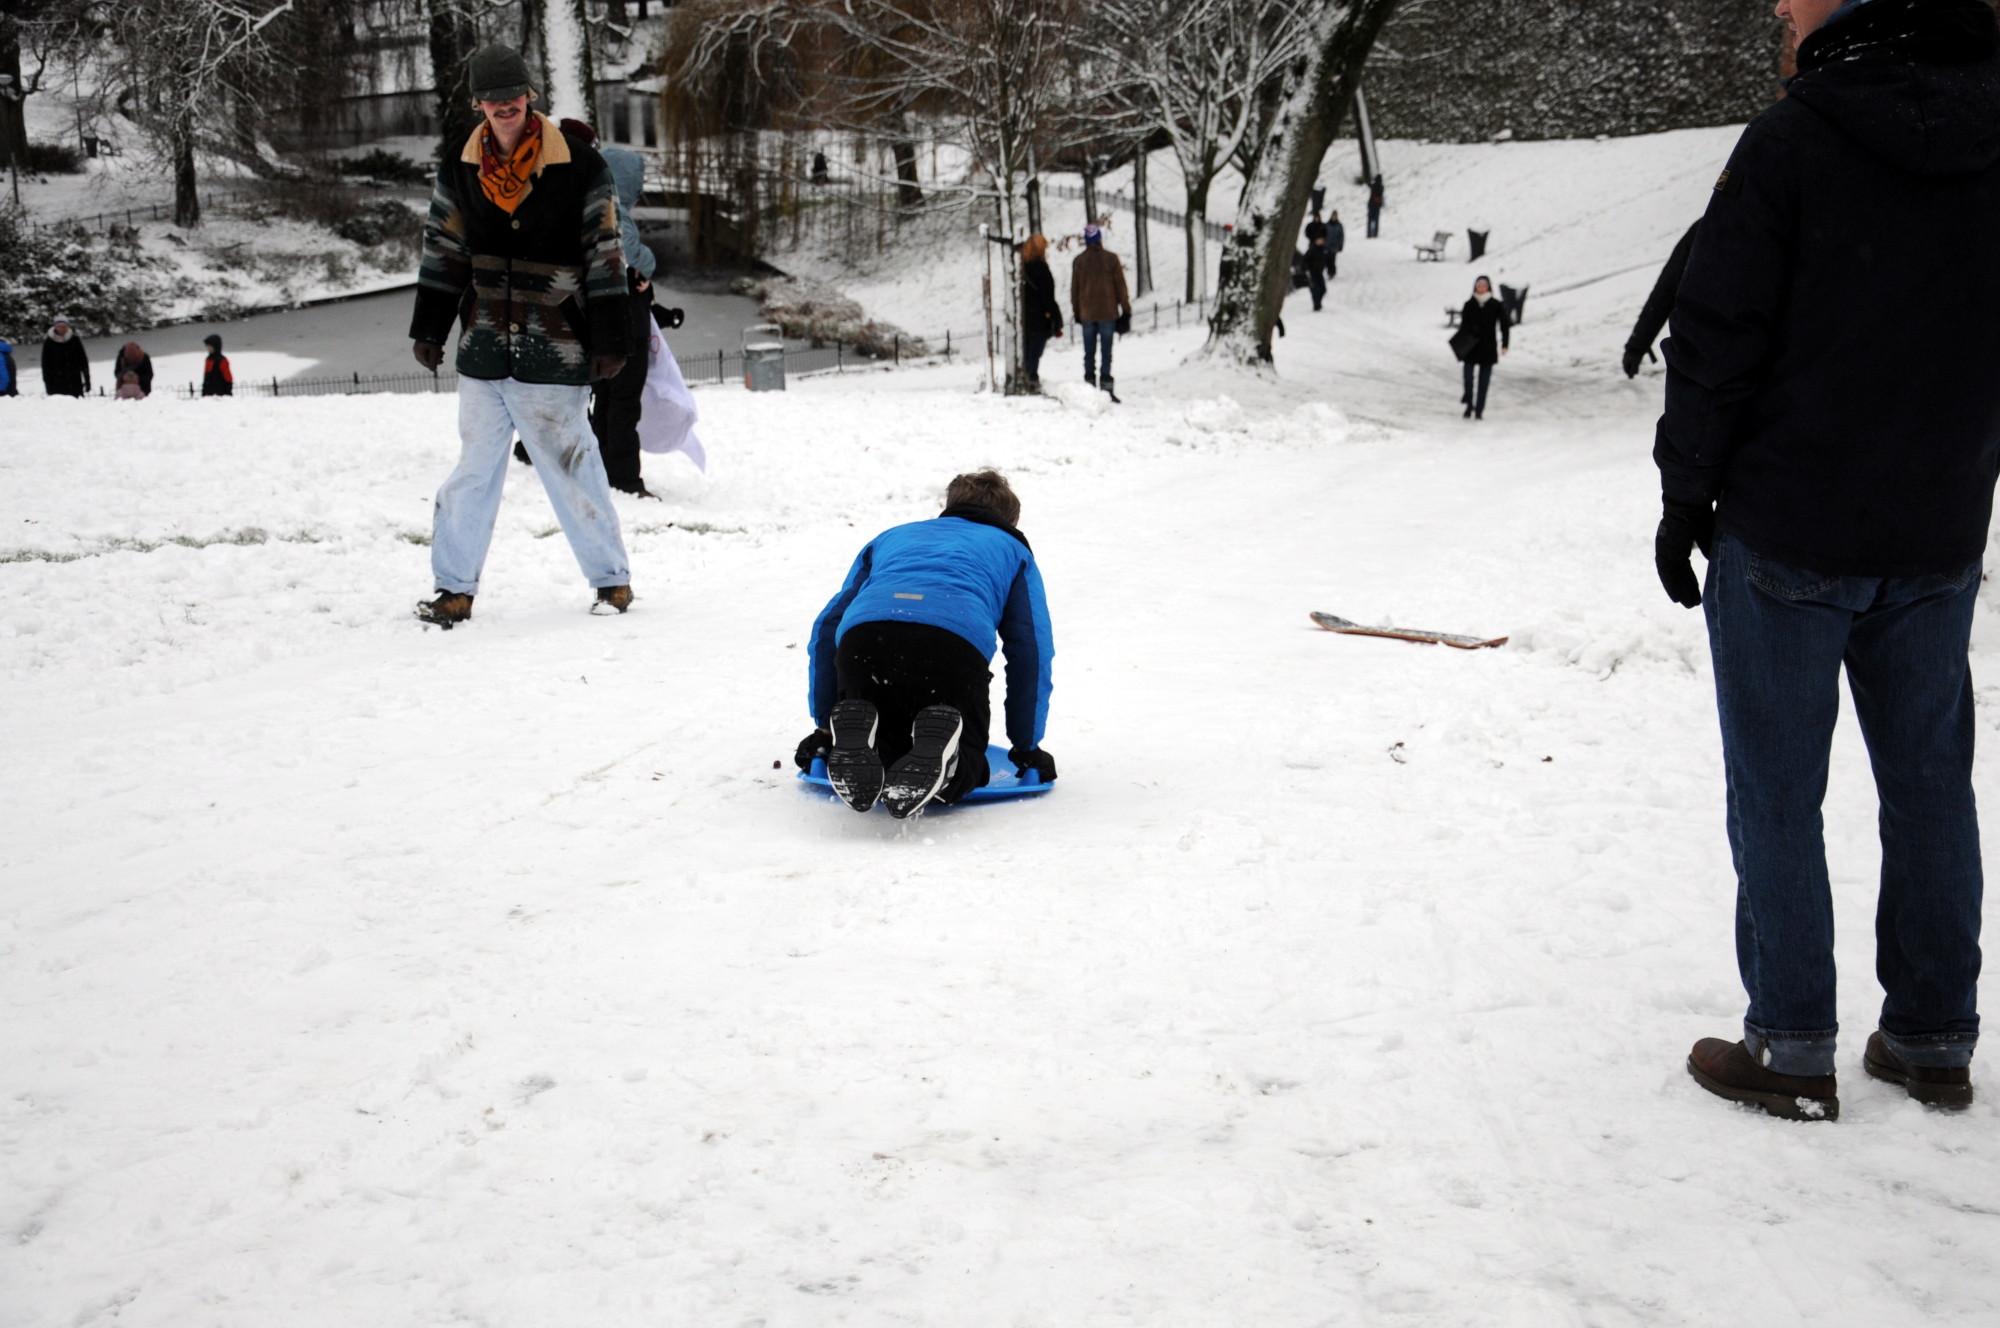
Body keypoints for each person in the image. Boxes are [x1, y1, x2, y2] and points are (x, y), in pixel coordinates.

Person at [1657, 0, 2000, 1121]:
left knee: (1775, 791)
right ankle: (1932, 1038)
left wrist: (1684, 492)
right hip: (1936, 530)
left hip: (1790, 526)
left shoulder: (1795, 137)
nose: (1776, 6)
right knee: (1928, 785)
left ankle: (1792, 1044)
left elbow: (1715, 332)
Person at [407, 42, 634, 629]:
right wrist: (430, 325)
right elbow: (444, 246)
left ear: (529, 96)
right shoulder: (460, 164)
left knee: (572, 465)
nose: (504, 106)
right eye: (493, 98)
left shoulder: (580, 165)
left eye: (513, 96)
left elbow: (605, 252)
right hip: (483, 348)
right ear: (478, 103)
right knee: (472, 474)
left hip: (555, 346)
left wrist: (610, 339)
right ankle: (453, 590)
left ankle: (611, 581)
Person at [795, 469, 1056, 820]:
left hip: (865, 640)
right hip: (950, 648)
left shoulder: (892, 537)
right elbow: (1030, 652)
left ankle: (856, 729)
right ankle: (952, 762)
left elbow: (827, 626)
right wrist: (1026, 746)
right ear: (1009, 520)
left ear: (950, 504)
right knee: (972, 764)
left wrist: (824, 726)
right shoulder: (1013, 551)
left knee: (889, 746)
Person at [593, 139, 662, 498]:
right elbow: (635, 257)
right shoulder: (617, 215)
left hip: (602, 323)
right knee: (623, 404)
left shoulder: (589, 212)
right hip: (627, 326)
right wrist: (647, 265)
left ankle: (601, 468)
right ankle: (624, 477)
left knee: (605, 400)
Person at [1623, 221, 1701, 377]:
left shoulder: (1705, 228)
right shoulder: (1705, 229)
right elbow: (1667, 289)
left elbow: (1666, 288)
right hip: (1705, 358)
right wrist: (1637, 345)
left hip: (1704, 359)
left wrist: (1637, 346)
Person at [1069, 223, 1130, 400]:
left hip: (1087, 314)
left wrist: (1077, 312)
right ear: (1099, 239)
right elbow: (1121, 287)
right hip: (1108, 313)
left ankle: (1089, 388)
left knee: (1089, 353)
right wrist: (1126, 310)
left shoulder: (1079, 261)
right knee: (1106, 353)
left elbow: (1075, 290)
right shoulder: (1111, 259)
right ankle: (1106, 388)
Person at [1453, 275, 1509, 419]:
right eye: (1479, 285)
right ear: (1475, 287)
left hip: (1488, 347)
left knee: (1484, 382)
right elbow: (1463, 327)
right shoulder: (1469, 304)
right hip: (1470, 347)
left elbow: (1504, 325)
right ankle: (1469, 403)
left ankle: (1479, 410)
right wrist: (1460, 346)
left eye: (1484, 285)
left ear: (1488, 287)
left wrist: (1505, 344)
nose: (1481, 288)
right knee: (1468, 378)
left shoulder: (1495, 304)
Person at [1018, 233, 1062, 390]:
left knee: (1026, 347)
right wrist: (1053, 315)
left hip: (1024, 315)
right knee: (1035, 350)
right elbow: (1047, 295)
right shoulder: (1041, 268)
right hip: (1039, 315)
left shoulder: (1021, 267)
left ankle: (1025, 375)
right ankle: (1031, 377)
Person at [40, 318, 89, 397]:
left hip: (74, 381)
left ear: (67, 327)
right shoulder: (49, 342)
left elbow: (83, 361)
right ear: (55, 327)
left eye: (64, 326)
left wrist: (87, 379)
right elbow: (45, 365)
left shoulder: (74, 340)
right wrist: (47, 384)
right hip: (56, 382)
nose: (62, 329)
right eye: (59, 326)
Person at [1302, 230, 1330, 312]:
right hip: (1312, 272)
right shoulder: (1312, 250)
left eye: (1321, 240)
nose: (1320, 241)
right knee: (1315, 289)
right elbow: (1305, 260)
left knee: (1323, 289)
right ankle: (1316, 305)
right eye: (1318, 240)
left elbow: (1328, 259)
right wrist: (1305, 268)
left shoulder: (1324, 249)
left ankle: (1318, 302)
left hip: (1320, 272)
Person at [1325, 209, 1347, 277]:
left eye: (1335, 216)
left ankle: (1332, 272)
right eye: (1333, 216)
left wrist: (1341, 245)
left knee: (1332, 259)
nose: (1334, 217)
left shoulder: (1339, 226)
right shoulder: (1327, 225)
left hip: (1335, 245)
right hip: (1327, 244)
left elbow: (1341, 236)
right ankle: (1329, 271)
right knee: (1327, 259)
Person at [1366, 174, 1384, 239]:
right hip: (1377, 206)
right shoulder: (1381, 187)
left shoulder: (1374, 186)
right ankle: (1375, 233)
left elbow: (1368, 183)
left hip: (1371, 205)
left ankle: (1369, 234)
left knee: (1370, 220)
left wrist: (1371, 179)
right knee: (1376, 220)